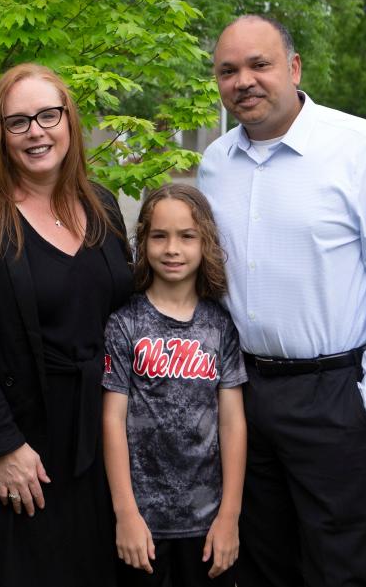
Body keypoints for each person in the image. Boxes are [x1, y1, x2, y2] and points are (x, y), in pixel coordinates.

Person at [198, 15, 366, 587]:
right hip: (243, 392)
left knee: (340, 567)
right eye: (228, 71)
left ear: (294, 68)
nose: (244, 81)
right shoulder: (214, 165)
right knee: (259, 561)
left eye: (260, 64)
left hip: (334, 396)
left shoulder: (357, 147)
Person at [0, 63, 134, 587]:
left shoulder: (103, 206)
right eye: (18, 122)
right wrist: (4, 446)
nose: (36, 132)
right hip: (24, 449)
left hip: (102, 434)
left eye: (48, 115)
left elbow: (126, 316)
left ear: (69, 120)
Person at [102, 184, 247, 587]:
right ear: (143, 241)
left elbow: (232, 423)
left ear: (206, 244)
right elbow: (113, 421)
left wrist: (230, 517)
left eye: (187, 237)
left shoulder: (220, 325)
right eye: (159, 236)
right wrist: (126, 514)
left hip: (208, 523)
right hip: (144, 526)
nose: (172, 249)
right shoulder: (125, 323)